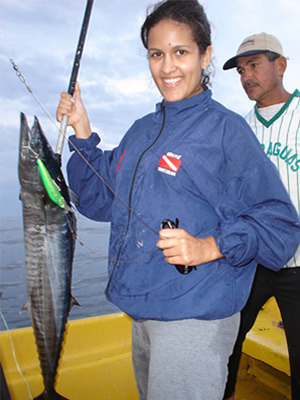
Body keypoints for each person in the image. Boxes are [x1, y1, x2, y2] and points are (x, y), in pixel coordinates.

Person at [57, 2, 300, 398]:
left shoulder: (227, 131)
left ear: (205, 56)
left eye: (181, 52)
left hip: (194, 317)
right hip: (143, 311)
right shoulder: (141, 131)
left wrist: (210, 246)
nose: (167, 67)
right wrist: (83, 133)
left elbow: (279, 224)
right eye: (157, 54)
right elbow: (101, 199)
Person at [222, 32, 300, 400]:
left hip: (299, 265)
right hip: (249, 264)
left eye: (253, 65)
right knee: (225, 346)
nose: (246, 76)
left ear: (280, 65)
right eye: (240, 70)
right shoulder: (238, 129)